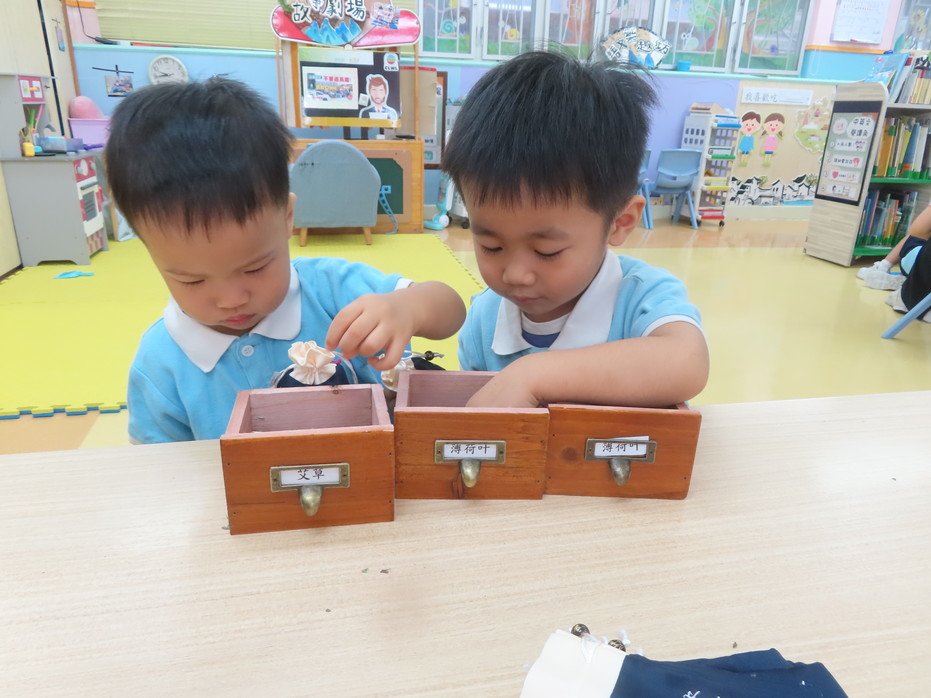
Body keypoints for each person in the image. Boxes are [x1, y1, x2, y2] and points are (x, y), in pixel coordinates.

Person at [105, 78, 465, 443]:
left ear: (288, 217)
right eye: (192, 280)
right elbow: (157, 469)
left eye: (254, 267)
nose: (231, 299)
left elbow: (451, 308)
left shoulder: (331, 290)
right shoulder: (161, 365)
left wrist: (406, 308)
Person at [443, 51, 709, 409]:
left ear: (620, 222)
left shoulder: (640, 298)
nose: (516, 274)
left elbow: (686, 362)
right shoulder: (483, 321)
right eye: (491, 246)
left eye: (546, 251)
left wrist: (532, 375)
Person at [858, 202, 931, 290]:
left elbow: (916, 232)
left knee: (916, 237)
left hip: (920, 267)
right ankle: (907, 280)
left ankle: (889, 270)